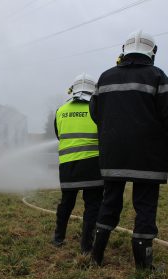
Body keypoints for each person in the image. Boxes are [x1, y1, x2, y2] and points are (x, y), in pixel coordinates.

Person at [89, 30, 168, 269]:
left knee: (109, 203)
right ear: (153, 53)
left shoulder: (105, 77)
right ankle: (143, 266)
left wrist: (114, 130)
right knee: (145, 205)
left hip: (113, 154)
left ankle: (96, 257)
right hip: (147, 156)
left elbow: (95, 113)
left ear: (123, 51)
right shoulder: (157, 76)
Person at [52, 73, 104, 254]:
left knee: (66, 203)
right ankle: (86, 247)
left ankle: (58, 238)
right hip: (93, 166)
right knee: (93, 206)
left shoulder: (60, 111)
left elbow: (59, 136)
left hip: (68, 167)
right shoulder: (98, 109)